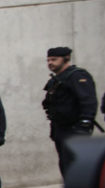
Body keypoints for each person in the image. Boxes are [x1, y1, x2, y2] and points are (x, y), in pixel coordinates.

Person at [41, 47, 98, 176]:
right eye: (48, 60)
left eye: (54, 59)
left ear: (66, 59)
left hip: (75, 128)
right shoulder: (55, 80)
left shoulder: (77, 76)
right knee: (66, 166)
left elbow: (88, 101)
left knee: (77, 166)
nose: (50, 63)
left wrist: (85, 124)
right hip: (60, 129)